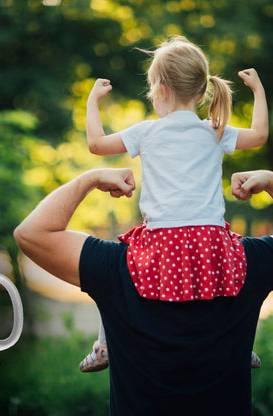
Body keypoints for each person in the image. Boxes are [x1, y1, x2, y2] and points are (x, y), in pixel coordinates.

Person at [14, 168, 273, 416]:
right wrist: (271, 181)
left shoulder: (117, 266)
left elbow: (31, 233)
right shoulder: (246, 262)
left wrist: (89, 180)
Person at [81, 35, 268, 372]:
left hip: (161, 241)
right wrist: (258, 91)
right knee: (237, 275)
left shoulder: (146, 132)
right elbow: (259, 135)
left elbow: (96, 144)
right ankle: (242, 344)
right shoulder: (215, 130)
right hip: (210, 239)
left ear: (160, 90)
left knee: (113, 272)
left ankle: (105, 344)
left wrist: (92, 100)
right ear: (201, 93)